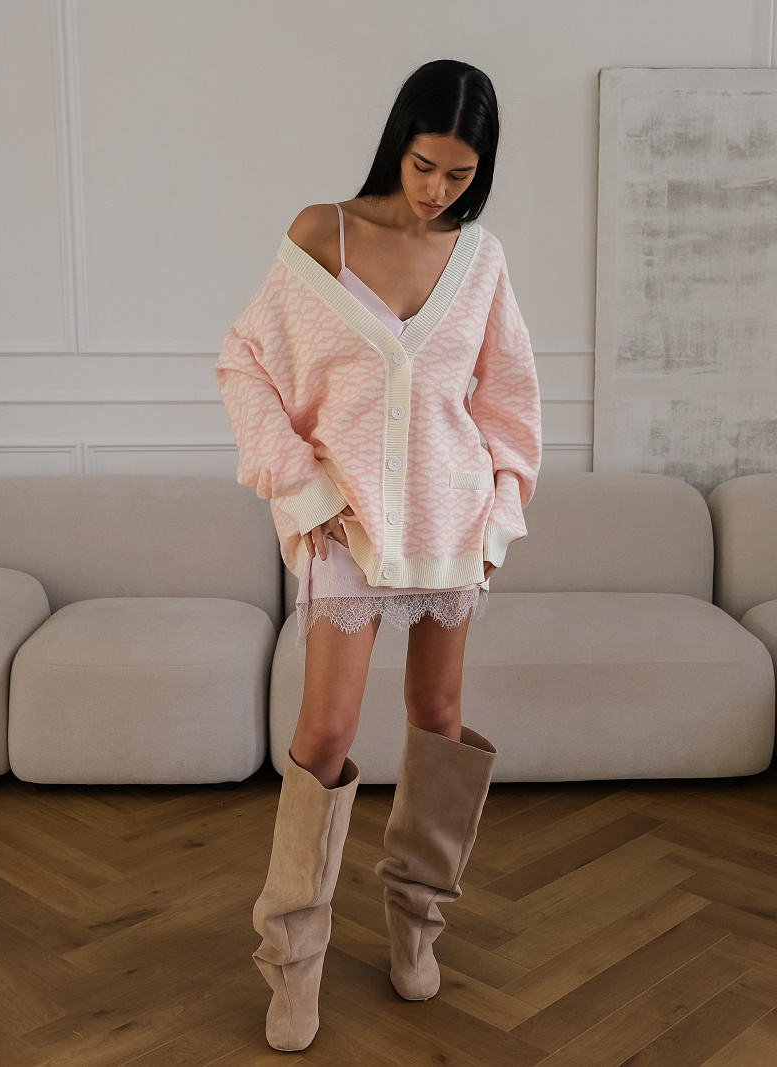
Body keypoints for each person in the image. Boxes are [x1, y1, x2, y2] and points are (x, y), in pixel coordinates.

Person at [214, 58, 542, 1052]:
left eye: (458, 173)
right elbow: (246, 362)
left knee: (437, 718)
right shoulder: (325, 231)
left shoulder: (479, 260)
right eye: (422, 163)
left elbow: (508, 401)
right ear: (398, 142)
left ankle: (416, 921)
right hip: (345, 525)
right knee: (323, 733)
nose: (436, 188)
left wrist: (497, 524)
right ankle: (293, 961)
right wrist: (303, 490)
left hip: (449, 526)